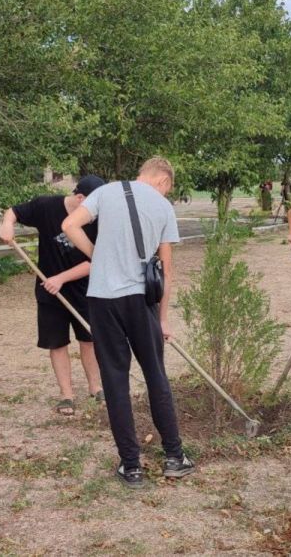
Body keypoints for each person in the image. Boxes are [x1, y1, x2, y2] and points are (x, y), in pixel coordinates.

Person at [62, 157, 194, 488]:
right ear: (164, 181)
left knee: (116, 381)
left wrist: (96, 254)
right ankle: (174, 457)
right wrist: (162, 318)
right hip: (141, 301)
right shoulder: (163, 207)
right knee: (155, 376)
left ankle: (132, 466)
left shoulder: (105, 193)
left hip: (103, 299)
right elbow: (165, 268)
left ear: (142, 174)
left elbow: (69, 226)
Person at [0, 175, 106, 416]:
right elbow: (13, 211)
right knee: (57, 343)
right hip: (48, 291)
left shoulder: (99, 220)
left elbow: (96, 261)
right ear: (80, 199)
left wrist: (61, 279)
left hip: (84, 289)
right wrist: (7, 224)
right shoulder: (46, 206)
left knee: (89, 340)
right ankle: (66, 395)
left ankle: (96, 388)